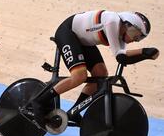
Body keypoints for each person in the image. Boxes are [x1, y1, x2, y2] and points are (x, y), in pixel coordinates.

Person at [32, 10, 160, 127]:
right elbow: (120, 56)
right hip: (68, 32)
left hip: (83, 41)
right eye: (135, 34)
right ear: (127, 25)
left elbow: (123, 58)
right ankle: (39, 101)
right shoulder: (112, 21)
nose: (135, 40)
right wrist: (144, 52)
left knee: (101, 75)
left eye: (139, 38)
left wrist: (145, 55)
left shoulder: (121, 34)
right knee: (79, 76)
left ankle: (75, 111)